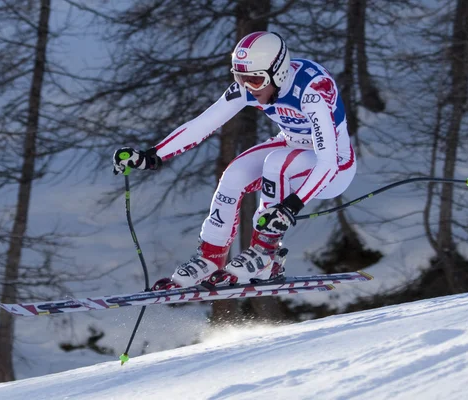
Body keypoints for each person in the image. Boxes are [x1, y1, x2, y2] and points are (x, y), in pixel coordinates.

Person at [113, 31, 356, 290]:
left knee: (277, 163)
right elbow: (204, 123)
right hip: (292, 144)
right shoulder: (253, 86)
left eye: (254, 79)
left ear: (279, 72)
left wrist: (290, 207)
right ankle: (210, 259)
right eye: (240, 78)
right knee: (235, 174)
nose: (247, 87)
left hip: (334, 164)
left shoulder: (312, 90)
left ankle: (266, 256)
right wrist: (153, 156)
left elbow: (328, 161)